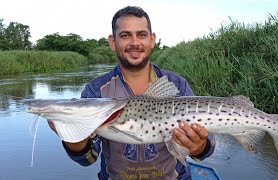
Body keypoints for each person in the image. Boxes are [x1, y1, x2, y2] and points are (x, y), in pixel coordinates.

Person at [49, 6, 215, 180]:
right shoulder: (96, 90)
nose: (134, 43)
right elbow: (88, 158)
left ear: (152, 40)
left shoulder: (177, 84)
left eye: (142, 35)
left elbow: (205, 151)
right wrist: (74, 140)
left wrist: (199, 147)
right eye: (125, 35)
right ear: (113, 42)